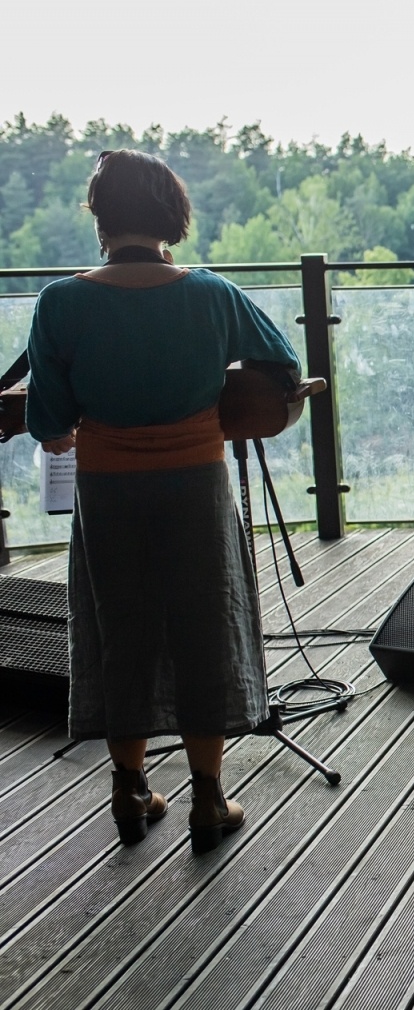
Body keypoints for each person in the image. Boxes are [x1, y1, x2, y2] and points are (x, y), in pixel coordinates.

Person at [26, 150, 301, 853]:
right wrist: (220, 402)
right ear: (172, 217)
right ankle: (208, 798)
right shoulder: (211, 293)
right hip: (197, 484)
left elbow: (50, 427)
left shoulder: (61, 301)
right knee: (205, 626)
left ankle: (130, 788)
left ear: (100, 218)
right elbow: (282, 373)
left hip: (108, 489)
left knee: (122, 630)